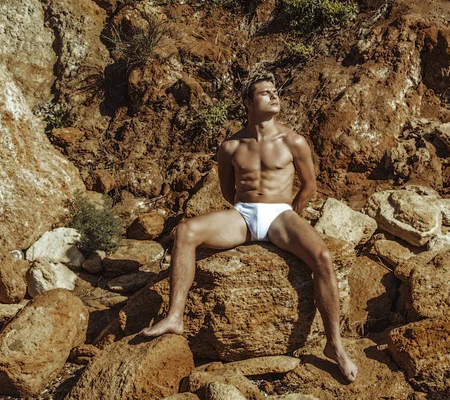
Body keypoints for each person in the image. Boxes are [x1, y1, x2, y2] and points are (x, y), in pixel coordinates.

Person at [140, 72, 358, 382]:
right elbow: (228, 192)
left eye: (275, 91)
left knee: (322, 257)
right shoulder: (230, 146)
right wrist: (245, 215)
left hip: (281, 214)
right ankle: (174, 316)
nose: (274, 96)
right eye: (265, 92)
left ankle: (334, 344)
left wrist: (291, 215)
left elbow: (309, 186)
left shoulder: (293, 141)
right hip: (242, 214)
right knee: (186, 232)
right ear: (248, 102)